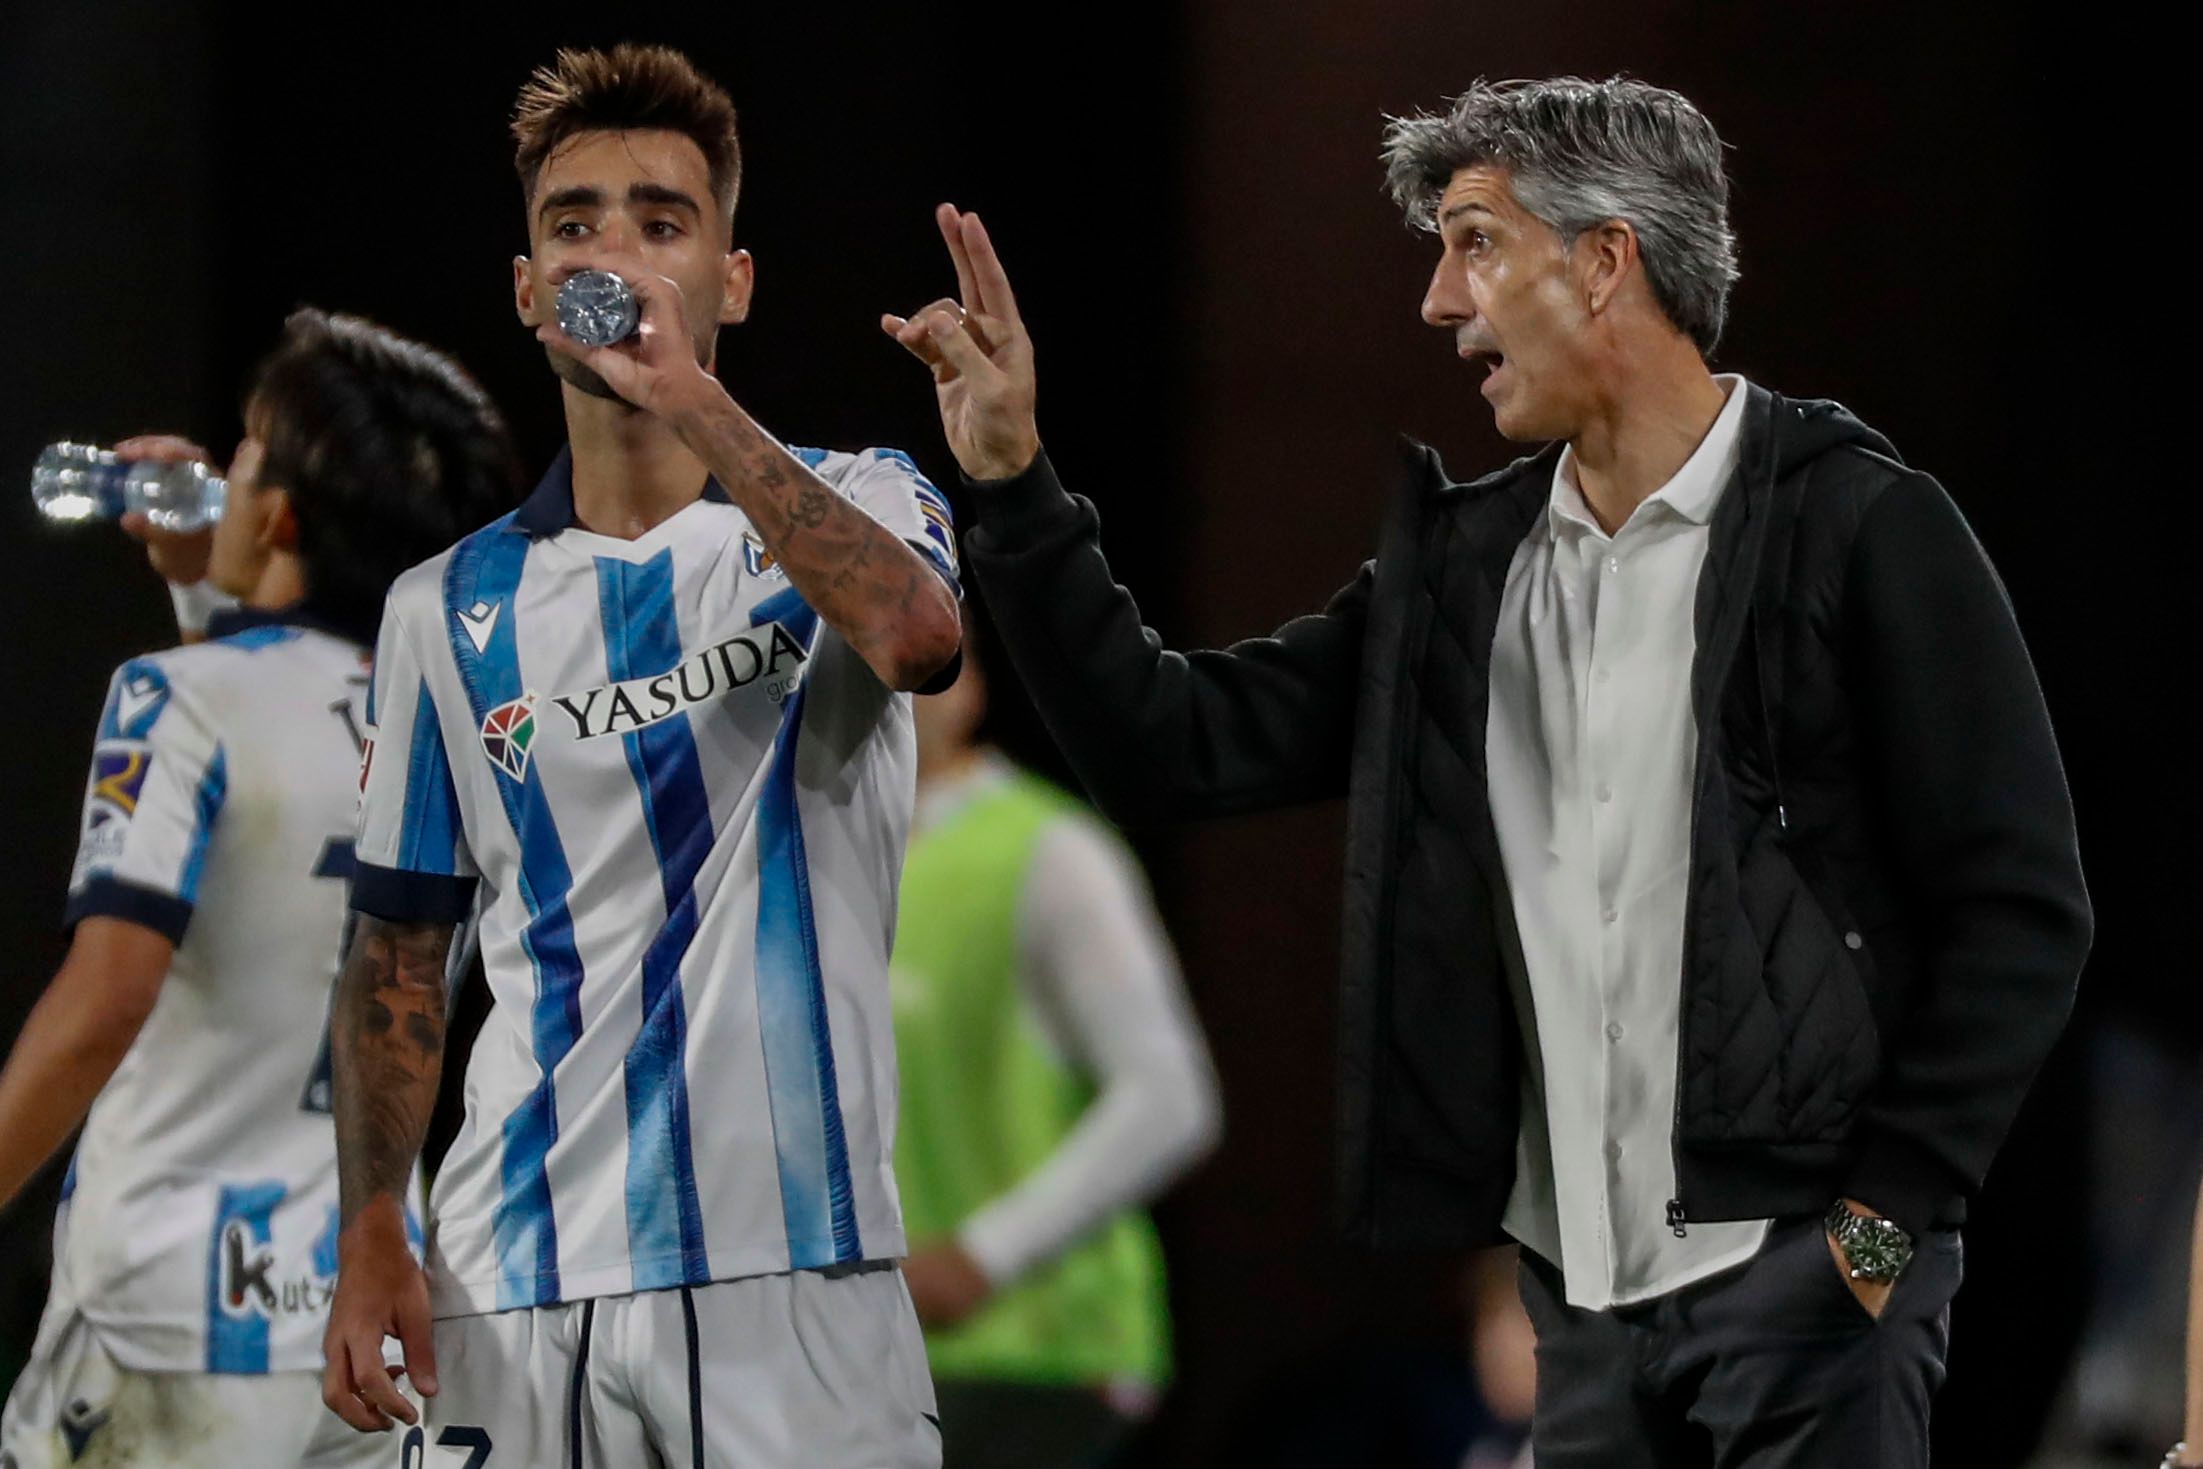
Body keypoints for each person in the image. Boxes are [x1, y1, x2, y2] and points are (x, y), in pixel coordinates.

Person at [883, 75, 2091, 1468]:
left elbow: (2022, 912)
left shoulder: (1863, 526)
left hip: (1805, 1289)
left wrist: (1877, 1234)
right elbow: (1172, 743)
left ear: (1604, 259)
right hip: (1576, 1319)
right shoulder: (1465, 572)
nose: (1436, 303)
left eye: (1474, 244)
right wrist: (1015, 484)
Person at [319, 43, 960, 1468]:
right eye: (575, 224)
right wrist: (370, 1231)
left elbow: (916, 636)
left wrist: (689, 402)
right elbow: (400, 953)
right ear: (527, 290)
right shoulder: (445, 607)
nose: (613, 254)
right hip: (509, 1277)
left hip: (792, 1277)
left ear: (733, 281)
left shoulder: (856, 497)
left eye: (661, 223)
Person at [0, 308, 519, 1467]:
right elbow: (301, 783)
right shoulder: (463, 730)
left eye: (243, 453)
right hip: (366, 1322)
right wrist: (203, 592)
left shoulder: (173, 697)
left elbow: (108, 997)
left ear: (279, 514)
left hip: (168, 1307)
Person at [894, 624, 1220, 1467]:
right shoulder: (806, 867)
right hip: (878, 1352)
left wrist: (983, 1255)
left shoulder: (1047, 850)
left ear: (966, 687)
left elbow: (1170, 1096)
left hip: (1036, 1351)